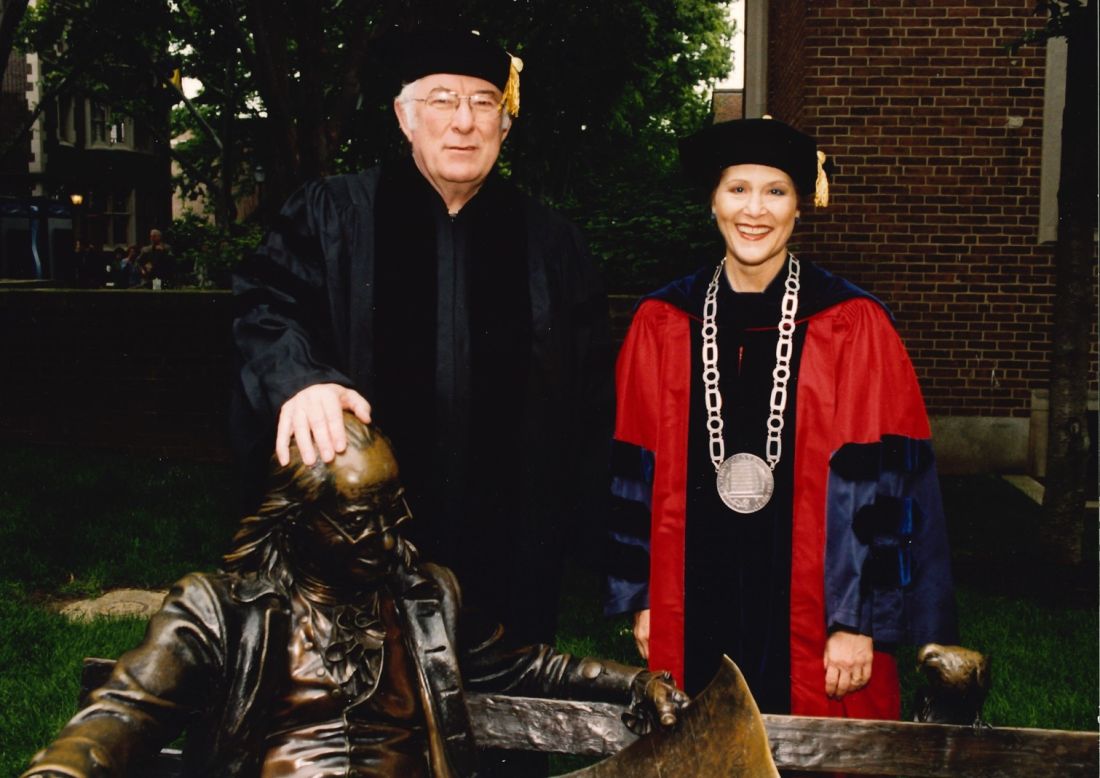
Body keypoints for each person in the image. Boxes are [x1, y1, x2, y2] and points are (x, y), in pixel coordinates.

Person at [22, 415, 686, 778]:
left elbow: (526, 666)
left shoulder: (426, 596)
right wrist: (61, 770)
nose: (387, 533)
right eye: (360, 518)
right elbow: (124, 712)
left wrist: (633, 684)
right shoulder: (225, 611)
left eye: (394, 510)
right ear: (299, 521)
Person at [232, 29, 611, 655]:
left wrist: (588, 537)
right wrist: (299, 378)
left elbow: (592, 403)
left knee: (502, 716)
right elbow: (266, 307)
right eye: (441, 100)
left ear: (505, 125)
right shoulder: (335, 215)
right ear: (405, 118)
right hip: (361, 544)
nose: (464, 122)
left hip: (511, 552)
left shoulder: (552, 244)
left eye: (484, 103)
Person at [604, 117, 958, 721]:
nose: (755, 210)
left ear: (801, 205)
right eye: (737, 188)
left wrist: (859, 622)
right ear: (712, 201)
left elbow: (889, 485)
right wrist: (643, 600)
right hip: (690, 604)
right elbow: (634, 470)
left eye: (776, 191)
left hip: (819, 617)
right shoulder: (662, 323)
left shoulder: (853, 324)